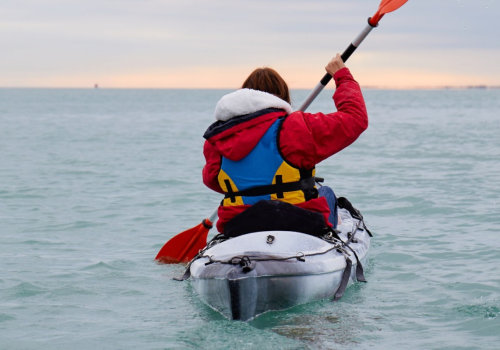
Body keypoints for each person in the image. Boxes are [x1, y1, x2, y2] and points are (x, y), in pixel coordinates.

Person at [202, 54, 368, 235]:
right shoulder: (295, 127)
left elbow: (213, 181)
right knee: (325, 192)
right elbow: (355, 119)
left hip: (237, 225)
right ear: (282, 97)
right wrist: (342, 76)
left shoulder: (217, 138)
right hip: (298, 222)